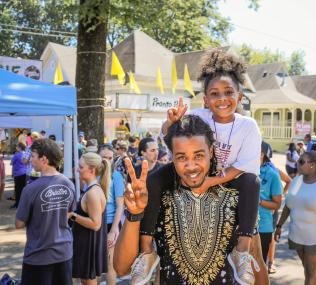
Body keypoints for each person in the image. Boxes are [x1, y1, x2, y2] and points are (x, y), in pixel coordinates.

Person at [132, 50, 262, 284]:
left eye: (228, 93)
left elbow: (245, 167)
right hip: (193, 169)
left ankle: (242, 250)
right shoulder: (196, 115)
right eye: (215, 94)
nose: (222, 99)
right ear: (205, 99)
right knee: (154, 178)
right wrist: (169, 123)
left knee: (252, 182)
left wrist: (210, 182)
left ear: (240, 96)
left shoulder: (248, 126)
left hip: (227, 176)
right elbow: (171, 139)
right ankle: (147, 252)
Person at [114, 115, 261, 284]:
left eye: (198, 156)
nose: (191, 166)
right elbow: (121, 268)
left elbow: (255, 264)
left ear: (211, 151)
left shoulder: (237, 195)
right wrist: (134, 214)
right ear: (172, 156)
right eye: (182, 157)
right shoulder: (157, 195)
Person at [15, 139, 76, 285]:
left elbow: (19, 223)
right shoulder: (68, 183)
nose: (31, 159)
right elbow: (69, 213)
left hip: (38, 256)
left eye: (34, 156)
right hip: (64, 253)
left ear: (44, 159)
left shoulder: (30, 189)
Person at [275, 151, 316, 285]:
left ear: (312, 165)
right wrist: (279, 226)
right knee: (308, 270)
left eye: (301, 162)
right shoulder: (297, 181)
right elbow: (288, 205)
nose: (297, 164)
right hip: (296, 235)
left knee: (310, 272)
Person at [68, 152, 109, 285]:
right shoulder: (92, 189)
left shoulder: (93, 193)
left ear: (91, 170)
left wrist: (72, 215)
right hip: (86, 243)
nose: (77, 169)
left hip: (88, 245)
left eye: (80, 167)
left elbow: (96, 224)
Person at [98, 145, 125, 285]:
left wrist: (114, 230)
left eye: (110, 157)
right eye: (104, 157)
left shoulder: (116, 176)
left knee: (109, 264)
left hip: (110, 223)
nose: (107, 160)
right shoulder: (92, 174)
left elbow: (120, 205)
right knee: (95, 265)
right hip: (94, 223)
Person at [258, 142, 283, 266]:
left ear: (262, 154)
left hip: (262, 227)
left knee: (259, 266)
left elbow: (277, 204)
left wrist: (259, 201)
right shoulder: (242, 171)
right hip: (241, 227)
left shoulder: (272, 174)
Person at [10, 142, 27, 209]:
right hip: (24, 173)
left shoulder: (17, 155)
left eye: (17, 146)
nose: (16, 147)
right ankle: (23, 204)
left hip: (17, 174)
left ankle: (17, 204)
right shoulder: (25, 153)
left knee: (17, 190)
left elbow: (11, 163)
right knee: (23, 189)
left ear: (19, 147)